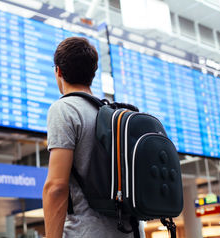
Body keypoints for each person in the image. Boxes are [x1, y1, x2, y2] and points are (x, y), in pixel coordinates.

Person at [42, 37, 134, 238]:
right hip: (130, 231)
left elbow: (56, 187)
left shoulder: (65, 109)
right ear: (93, 73)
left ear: (58, 71)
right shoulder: (113, 114)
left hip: (87, 232)